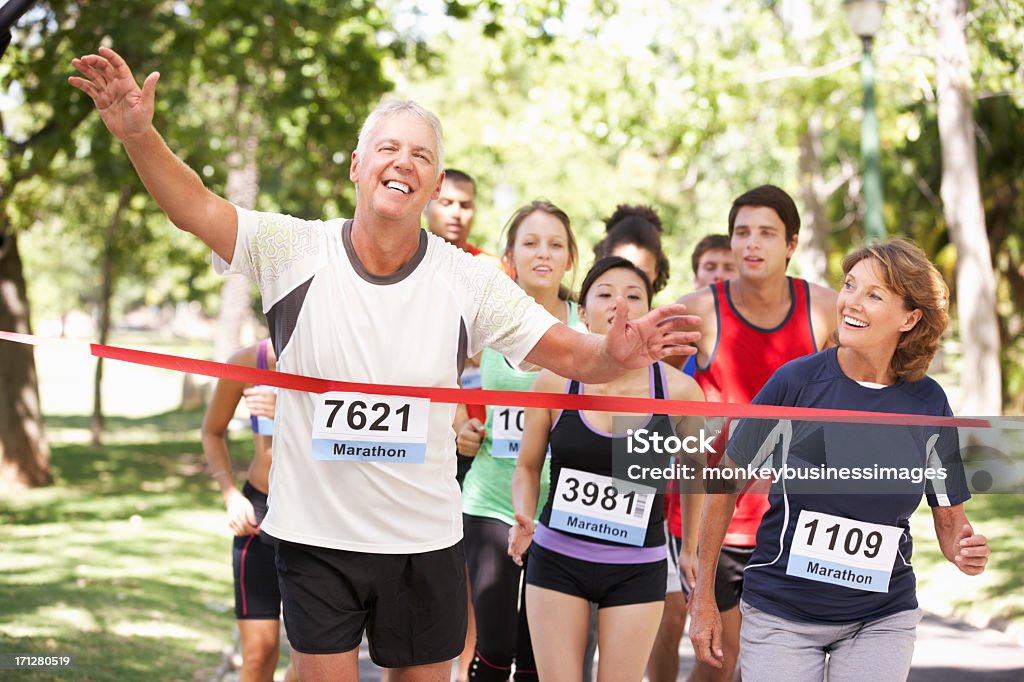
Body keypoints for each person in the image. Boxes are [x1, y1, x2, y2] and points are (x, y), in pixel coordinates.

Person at [69, 47, 699, 682]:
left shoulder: (467, 280)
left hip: (423, 542)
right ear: (357, 166)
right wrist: (140, 135)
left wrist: (614, 352)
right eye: (389, 149)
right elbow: (194, 208)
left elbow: (571, 354)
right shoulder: (292, 248)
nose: (404, 163)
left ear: (434, 181)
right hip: (315, 539)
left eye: (422, 156)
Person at [689, 239, 989, 682]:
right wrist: (705, 600)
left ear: (910, 318)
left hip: (881, 615)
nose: (851, 301)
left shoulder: (929, 403)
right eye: (850, 285)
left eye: (874, 294)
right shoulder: (795, 384)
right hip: (781, 611)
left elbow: (950, 524)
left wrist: (965, 551)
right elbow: (725, 486)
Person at [509, 256, 706, 682]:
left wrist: (690, 548)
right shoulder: (554, 381)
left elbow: (695, 475)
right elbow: (526, 467)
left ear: (651, 311)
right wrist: (522, 516)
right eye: (605, 294)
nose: (621, 303)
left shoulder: (680, 392)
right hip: (558, 559)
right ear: (582, 312)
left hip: (638, 568)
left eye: (635, 295)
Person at [671, 185, 837, 682]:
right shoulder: (699, 309)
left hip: (792, 516)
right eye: (742, 232)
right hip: (716, 516)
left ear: (791, 243)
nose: (752, 244)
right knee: (723, 660)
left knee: (776, 661)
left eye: (767, 233)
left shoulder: (826, 308)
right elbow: (650, 390)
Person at [455, 200, 581, 681]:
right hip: (490, 498)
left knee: (538, 654)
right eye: (530, 243)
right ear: (510, 255)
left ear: (570, 257)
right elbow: (437, 380)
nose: (542, 253)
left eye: (555, 244)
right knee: (495, 647)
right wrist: (459, 427)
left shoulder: (586, 328)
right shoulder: (486, 320)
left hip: (563, 507)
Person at [202, 339, 296, 682]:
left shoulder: (337, 358)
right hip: (258, 513)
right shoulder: (247, 361)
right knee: (257, 657)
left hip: (314, 520)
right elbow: (212, 432)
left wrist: (287, 411)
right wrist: (230, 493)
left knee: (309, 666)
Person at [594, 204, 671, 296]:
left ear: (656, 273)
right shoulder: (580, 309)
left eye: (642, 274)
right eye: (621, 269)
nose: (630, 281)